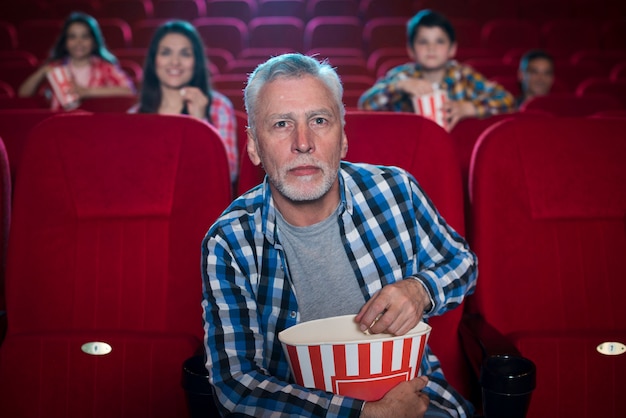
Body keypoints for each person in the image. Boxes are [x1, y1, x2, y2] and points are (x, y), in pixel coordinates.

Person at [201, 53, 478, 417]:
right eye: (282, 124)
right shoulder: (229, 241)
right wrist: (363, 414)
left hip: (415, 399)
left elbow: (462, 263)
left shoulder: (397, 191)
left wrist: (420, 288)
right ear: (254, 145)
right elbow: (237, 386)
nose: (303, 142)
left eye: (319, 120)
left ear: (343, 137)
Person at [358, 9, 515, 130]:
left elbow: (507, 100)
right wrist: (398, 86)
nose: (431, 48)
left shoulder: (463, 76)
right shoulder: (402, 76)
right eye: (423, 41)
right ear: (411, 50)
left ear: (452, 49)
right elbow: (365, 104)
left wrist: (469, 108)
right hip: (410, 150)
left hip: (453, 149)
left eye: (439, 41)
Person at [133, 20, 238, 184]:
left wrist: (200, 122)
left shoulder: (218, 106)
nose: (175, 62)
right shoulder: (134, 115)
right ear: (154, 61)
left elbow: (227, 174)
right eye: (166, 52)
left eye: (185, 54)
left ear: (196, 62)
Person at [18, 12, 135, 110]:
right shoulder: (55, 68)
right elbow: (23, 94)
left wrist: (86, 92)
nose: (79, 42)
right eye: (72, 37)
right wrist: (42, 71)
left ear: (94, 41)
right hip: (60, 126)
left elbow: (128, 90)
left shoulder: (105, 67)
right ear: (65, 42)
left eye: (85, 37)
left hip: (95, 126)